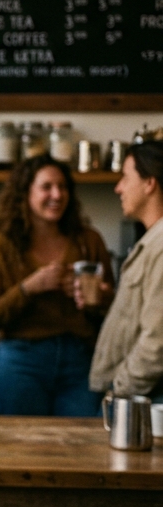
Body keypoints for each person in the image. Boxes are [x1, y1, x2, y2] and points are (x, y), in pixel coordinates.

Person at [0, 156, 113, 416]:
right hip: (21, 361)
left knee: (81, 448)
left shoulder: (88, 240)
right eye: (46, 187)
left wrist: (99, 298)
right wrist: (30, 288)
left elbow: (113, 311)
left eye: (63, 187)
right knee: (24, 449)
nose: (57, 195)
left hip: (80, 358)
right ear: (24, 193)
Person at [90, 140, 163, 401]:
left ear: (149, 183)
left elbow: (157, 342)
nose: (118, 187)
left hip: (145, 400)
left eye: (125, 177)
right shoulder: (152, 241)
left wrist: (119, 391)